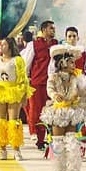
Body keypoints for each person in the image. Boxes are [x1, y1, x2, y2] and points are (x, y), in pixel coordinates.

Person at [40, 44, 86, 171]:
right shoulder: (53, 76)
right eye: (71, 62)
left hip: (72, 111)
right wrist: (54, 96)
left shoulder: (77, 77)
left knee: (72, 141)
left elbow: (82, 93)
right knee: (57, 142)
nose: (74, 64)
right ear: (62, 62)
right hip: (58, 111)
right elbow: (49, 89)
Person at [0, 37, 34, 161]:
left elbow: (23, 79)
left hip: (14, 91)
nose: (0, 47)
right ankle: (2, 149)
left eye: (3, 44)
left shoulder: (17, 60)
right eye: (0, 45)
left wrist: (24, 96)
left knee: (14, 121)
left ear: (10, 46)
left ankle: (16, 149)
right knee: (1, 121)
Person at [21, 20, 58, 150]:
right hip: (37, 83)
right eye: (51, 28)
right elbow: (26, 63)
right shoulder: (34, 45)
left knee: (53, 111)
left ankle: (52, 138)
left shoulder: (57, 45)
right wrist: (26, 80)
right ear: (43, 30)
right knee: (37, 111)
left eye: (54, 28)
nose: (53, 30)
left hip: (53, 83)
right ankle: (40, 139)